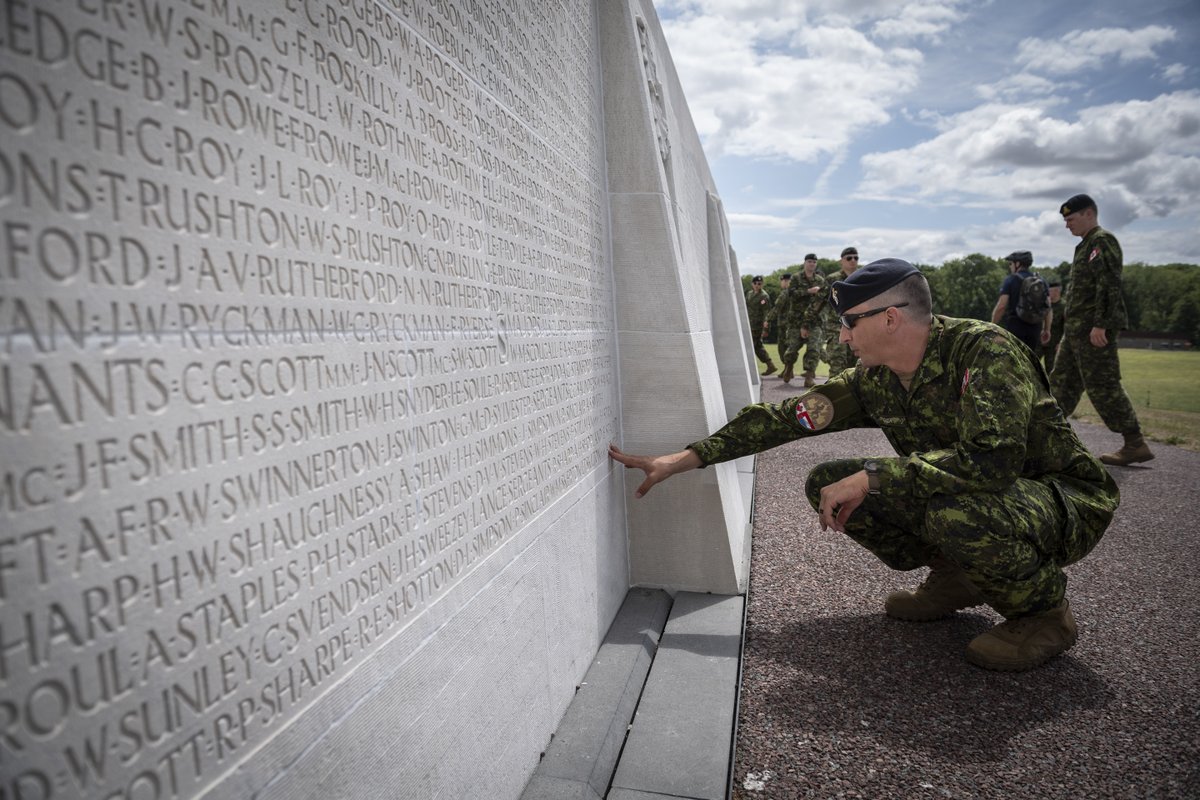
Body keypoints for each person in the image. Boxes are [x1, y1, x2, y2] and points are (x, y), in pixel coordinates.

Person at [610, 258, 1118, 672]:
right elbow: (788, 417)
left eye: (850, 324)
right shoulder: (875, 378)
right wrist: (686, 457)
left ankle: (1045, 615)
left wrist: (874, 475)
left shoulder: (985, 350)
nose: (844, 338)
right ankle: (957, 575)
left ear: (890, 318)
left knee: (951, 508)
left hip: (1059, 498)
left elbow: (991, 463)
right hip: (977, 499)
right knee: (829, 482)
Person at [1050, 194, 1154, 466]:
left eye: (1070, 219)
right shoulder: (1085, 246)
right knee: (1060, 384)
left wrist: (1101, 324)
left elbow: (1108, 285)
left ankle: (1134, 443)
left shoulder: (1102, 242)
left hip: (1093, 331)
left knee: (1103, 385)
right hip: (1075, 333)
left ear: (1089, 214)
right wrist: (1066, 336)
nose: (1067, 225)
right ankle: (1046, 438)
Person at [778, 255, 827, 386]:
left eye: (814, 262)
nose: (812, 264)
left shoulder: (820, 280)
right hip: (796, 320)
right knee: (792, 348)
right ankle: (788, 366)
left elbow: (822, 300)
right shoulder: (796, 278)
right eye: (809, 261)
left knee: (814, 348)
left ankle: (809, 376)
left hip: (814, 320)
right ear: (805, 263)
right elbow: (791, 294)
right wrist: (808, 291)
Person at [990, 250, 1046, 353]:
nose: (1009, 266)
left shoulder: (1011, 280)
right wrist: (1047, 329)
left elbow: (1001, 306)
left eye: (1010, 263)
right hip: (1035, 328)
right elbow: (1048, 307)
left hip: (1016, 326)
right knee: (1030, 361)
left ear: (1018, 264)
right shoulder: (1040, 281)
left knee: (1015, 361)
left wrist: (992, 326)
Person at [820, 247, 860, 376]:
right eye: (849, 258)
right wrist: (806, 324)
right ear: (841, 261)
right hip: (836, 328)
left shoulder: (864, 278)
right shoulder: (833, 280)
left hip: (859, 328)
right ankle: (834, 395)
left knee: (858, 367)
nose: (853, 260)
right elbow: (818, 302)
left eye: (856, 258)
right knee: (837, 366)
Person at [745, 275, 777, 376]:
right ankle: (770, 365)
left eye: (759, 284)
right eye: (755, 283)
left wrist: (766, 329)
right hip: (749, 325)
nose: (757, 285)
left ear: (762, 284)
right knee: (757, 346)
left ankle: (749, 370)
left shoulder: (764, 296)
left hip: (758, 326)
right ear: (752, 284)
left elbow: (766, 313)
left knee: (751, 346)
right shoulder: (749, 294)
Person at [1043, 277, 1064, 372]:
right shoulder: (1045, 305)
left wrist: (1061, 343)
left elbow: (1067, 328)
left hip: (1054, 344)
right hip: (1040, 341)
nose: (1048, 294)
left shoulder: (1064, 307)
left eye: (1050, 291)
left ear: (1057, 291)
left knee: (1051, 369)